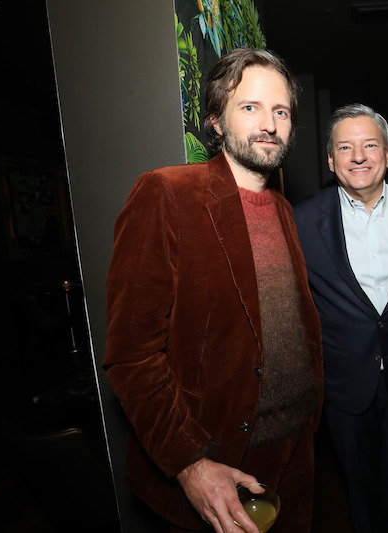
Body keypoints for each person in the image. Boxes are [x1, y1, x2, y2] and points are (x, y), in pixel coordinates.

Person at [103, 48, 323, 533]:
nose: (269, 123)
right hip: (217, 471)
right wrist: (190, 464)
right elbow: (131, 357)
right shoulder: (165, 194)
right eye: (250, 107)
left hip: (293, 465)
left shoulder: (284, 210)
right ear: (216, 121)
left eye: (280, 111)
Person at [292, 103, 388, 533]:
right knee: (357, 485)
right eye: (345, 147)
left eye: (369, 145)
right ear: (330, 160)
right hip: (343, 379)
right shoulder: (302, 219)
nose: (358, 156)